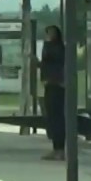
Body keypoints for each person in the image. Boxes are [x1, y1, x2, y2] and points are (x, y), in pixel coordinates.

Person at [39, 25, 67, 161]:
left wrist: (46, 45)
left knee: (57, 118)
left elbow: (52, 60)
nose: (48, 35)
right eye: (47, 32)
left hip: (57, 85)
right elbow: (46, 64)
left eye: (51, 32)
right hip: (50, 84)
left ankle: (60, 149)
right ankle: (56, 148)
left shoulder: (57, 48)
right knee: (52, 117)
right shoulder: (51, 48)